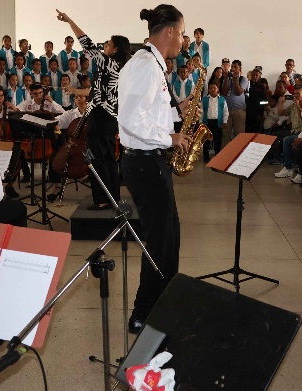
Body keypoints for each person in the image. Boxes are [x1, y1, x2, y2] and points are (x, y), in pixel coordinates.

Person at [117, 4, 194, 334]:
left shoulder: (152, 64)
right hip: (144, 162)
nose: (184, 40)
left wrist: (179, 113)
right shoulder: (146, 66)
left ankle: (164, 304)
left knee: (169, 235)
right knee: (160, 241)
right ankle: (144, 313)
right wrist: (170, 135)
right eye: (182, 32)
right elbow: (130, 120)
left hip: (150, 161)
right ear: (169, 32)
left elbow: (147, 113)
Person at [57, 9, 131, 211]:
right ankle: (111, 197)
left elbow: (86, 43)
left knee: (98, 159)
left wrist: (70, 21)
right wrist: (75, 90)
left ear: (115, 50)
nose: (104, 45)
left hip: (101, 116)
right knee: (107, 158)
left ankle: (102, 200)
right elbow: (96, 91)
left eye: (108, 43)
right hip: (107, 117)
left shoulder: (108, 63)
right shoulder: (118, 66)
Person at [201, 81, 228, 162]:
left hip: (217, 122)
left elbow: (225, 111)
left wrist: (224, 121)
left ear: (218, 89)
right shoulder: (205, 99)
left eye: (214, 88)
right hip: (207, 122)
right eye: (210, 88)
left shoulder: (222, 99)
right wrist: (200, 122)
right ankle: (206, 156)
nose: (212, 90)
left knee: (217, 140)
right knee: (206, 140)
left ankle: (217, 156)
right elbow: (201, 111)